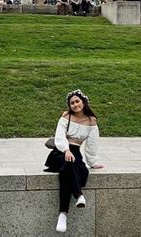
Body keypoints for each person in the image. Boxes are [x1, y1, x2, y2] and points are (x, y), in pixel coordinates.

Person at [44, 89, 104, 233]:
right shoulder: (66, 116)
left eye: (77, 101)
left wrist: (92, 162)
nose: (75, 105)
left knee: (77, 170)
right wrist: (66, 150)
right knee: (69, 165)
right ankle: (78, 195)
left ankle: (63, 214)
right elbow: (59, 137)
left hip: (75, 153)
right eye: (72, 103)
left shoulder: (91, 121)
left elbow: (92, 145)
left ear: (83, 102)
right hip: (59, 152)